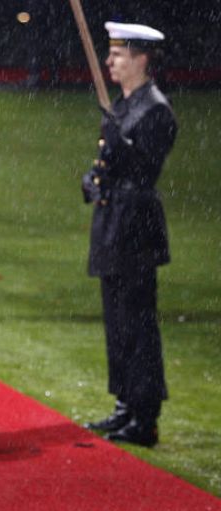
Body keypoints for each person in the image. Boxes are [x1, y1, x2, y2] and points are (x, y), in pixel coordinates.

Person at [81, 22, 177, 447]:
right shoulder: (124, 104)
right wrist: (93, 178)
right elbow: (106, 163)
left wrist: (124, 150)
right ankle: (125, 402)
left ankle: (145, 414)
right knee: (117, 320)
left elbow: (143, 168)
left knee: (138, 322)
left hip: (135, 226)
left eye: (118, 55)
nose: (109, 62)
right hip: (113, 223)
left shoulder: (155, 109)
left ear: (140, 58)